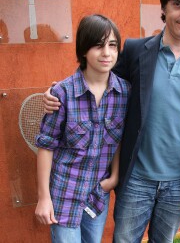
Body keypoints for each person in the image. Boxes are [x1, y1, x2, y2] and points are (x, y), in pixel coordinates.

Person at [43, 0, 180, 242]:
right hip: (136, 178)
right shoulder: (135, 51)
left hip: (179, 182)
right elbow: (99, 76)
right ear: (164, 6)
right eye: (178, 3)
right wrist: (59, 91)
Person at [35, 14, 130, 243]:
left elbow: (119, 139)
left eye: (112, 45)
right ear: (84, 50)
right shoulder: (63, 93)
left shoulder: (124, 92)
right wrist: (43, 198)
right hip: (65, 192)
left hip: (98, 193)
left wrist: (114, 177)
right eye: (98, 45)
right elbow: (46, 146)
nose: (106, 53)